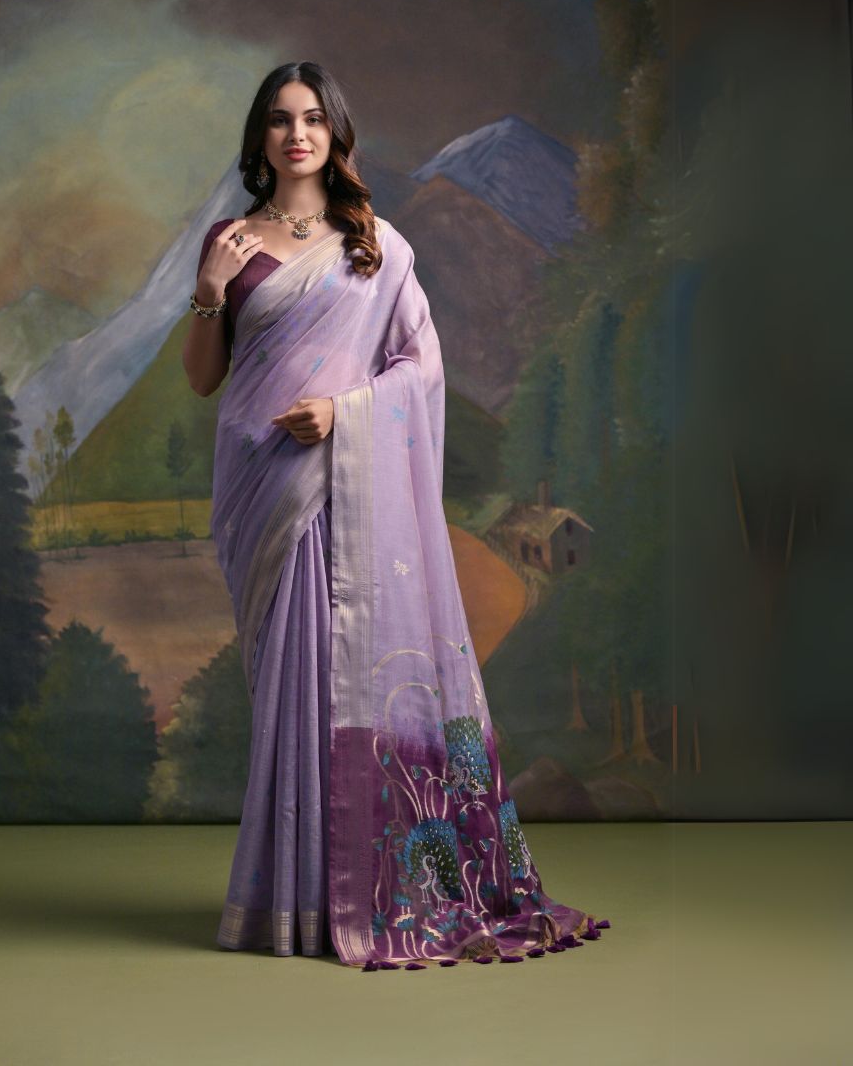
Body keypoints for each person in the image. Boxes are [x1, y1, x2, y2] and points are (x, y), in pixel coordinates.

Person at [182, 61, 611, 971]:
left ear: (337, 134)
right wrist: (211, 288)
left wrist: (344, 415)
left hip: (338, 484)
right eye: (278, 120)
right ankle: (285, 901)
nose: (296, 134)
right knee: (285, 695)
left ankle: (343, 895)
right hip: (260, 490)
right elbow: (202, 376)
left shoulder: (374, 243)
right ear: (260, 138)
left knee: (335, 679)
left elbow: (421, 368)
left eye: (311, 119)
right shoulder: (230, 240)